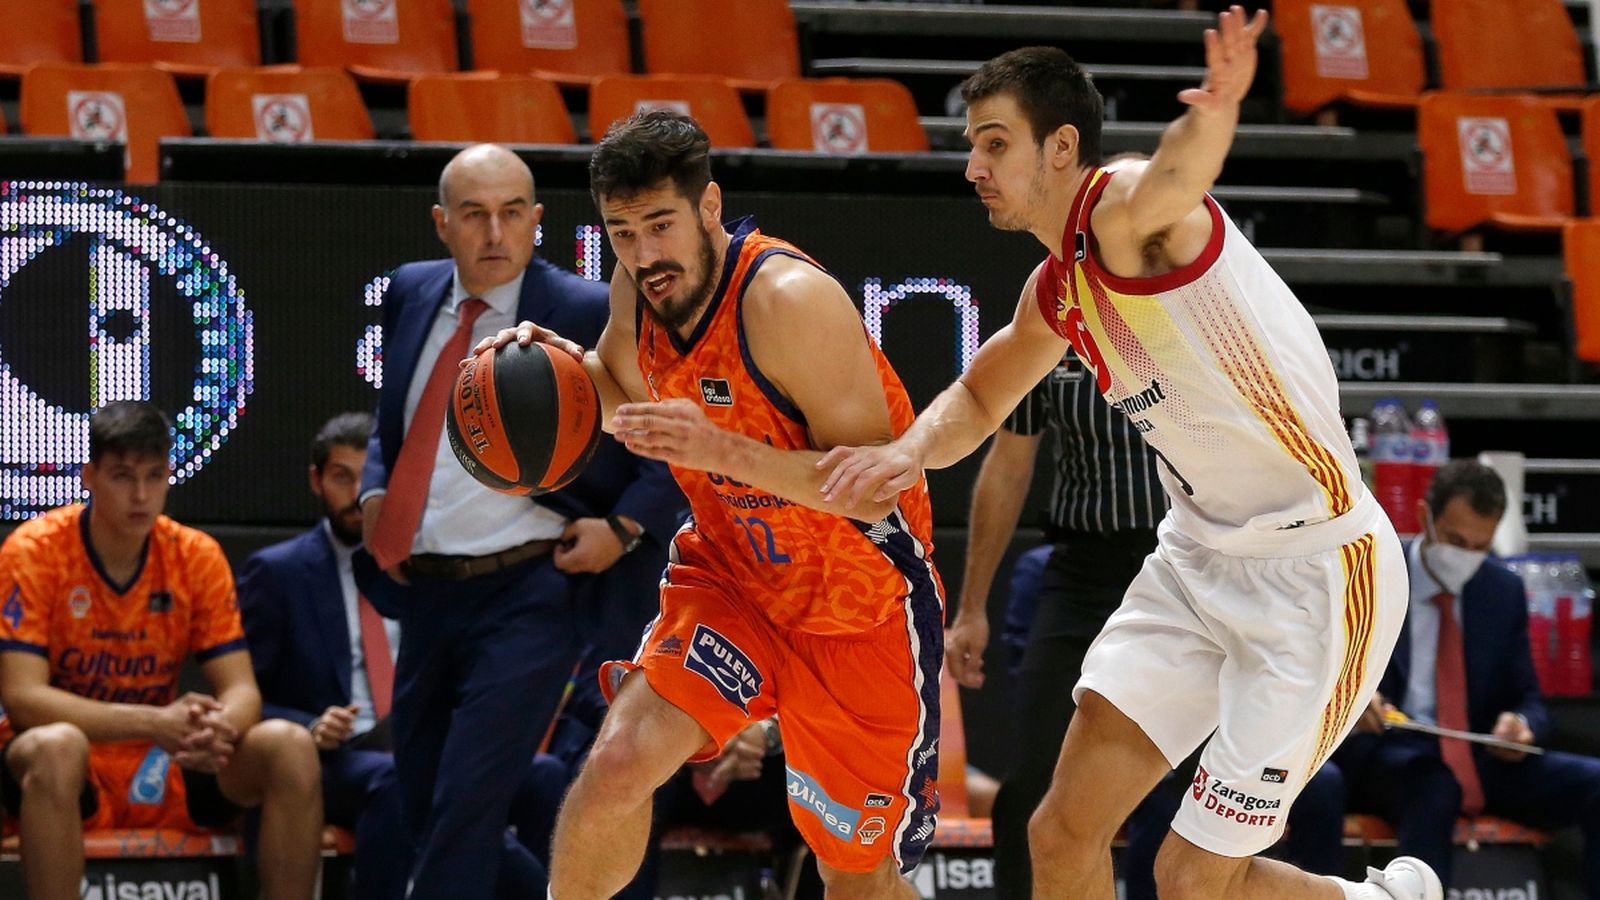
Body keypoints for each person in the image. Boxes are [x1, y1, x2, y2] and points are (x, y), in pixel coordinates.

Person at [816, 9, 1438, 898]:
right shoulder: (1054, 290)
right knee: (1061, 832)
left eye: (995, 144)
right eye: (972, 146)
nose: (974, 167)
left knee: (1188, 878)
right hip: (1195, 561)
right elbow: (981, 396)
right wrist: (907, 453)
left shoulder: (1122, 211)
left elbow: (1176, 176)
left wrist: (1218, 109)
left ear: (1062, 146)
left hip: (1316, 575)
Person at [481, 109, 945, 900]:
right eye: (622, 232)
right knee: (617, 764)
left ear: (709, 206)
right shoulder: (638, 290)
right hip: (733, 579)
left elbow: (877, 490)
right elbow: (621, 394)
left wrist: (722, 451)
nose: (643, 254)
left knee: (853, 875)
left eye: (660, 225)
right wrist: (551, 372)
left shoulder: (790, 301)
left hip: (859, 610)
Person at [353, 143, 682, 899]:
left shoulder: (587, 309)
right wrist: (376, 490)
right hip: (429, 585)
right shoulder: (410, 290)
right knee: (420, 801)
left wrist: (623, 529)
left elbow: (669, 439)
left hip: (533, 587)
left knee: (467, 805)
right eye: (474, 214)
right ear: (442, 222)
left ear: (537, 220)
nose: (495, 233)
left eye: (511, 213)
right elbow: (395, 415)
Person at [0, 400, 323, 900]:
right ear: (89, 477)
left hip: (166, 761)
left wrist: (219, 726)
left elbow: (242, 690)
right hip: (65, 764)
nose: (141, 495)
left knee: (290, 744)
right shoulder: (34, 551)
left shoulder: (195, 554)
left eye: (155, 476)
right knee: (56, 745)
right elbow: (23, 698)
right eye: (122, 477)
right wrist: (154, 722)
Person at [945, 341, 1165, 897]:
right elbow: (1008, 465)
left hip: (1184, 571)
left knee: (1184, 785)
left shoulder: (1199, 317)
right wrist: (971, 608)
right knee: (1033, 782)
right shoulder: (1049, 324)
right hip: (1082, 572)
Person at [1337, 460, 1600, 896]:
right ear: (1425, 517)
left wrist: (1520, 725)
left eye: (1480, 547)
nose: (1466, 557)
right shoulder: (1374, 574)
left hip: (1475, 755)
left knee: (1595, 783)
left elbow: (1529, 697)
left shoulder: (1501, 590)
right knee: (1434, 785)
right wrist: (1359, 697)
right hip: (1388, 752)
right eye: (1456, 541)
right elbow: (1329, 673)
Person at [237, 411, 411, 900]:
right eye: (341, 477)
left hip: (417, 742)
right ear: (316, 481)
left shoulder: (421, 565)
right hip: (331, 760)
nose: (357, 493)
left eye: (366, 478)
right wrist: (310, 725)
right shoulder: (278, 572)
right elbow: (244, 695)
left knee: (541, 776)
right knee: (401, 782)